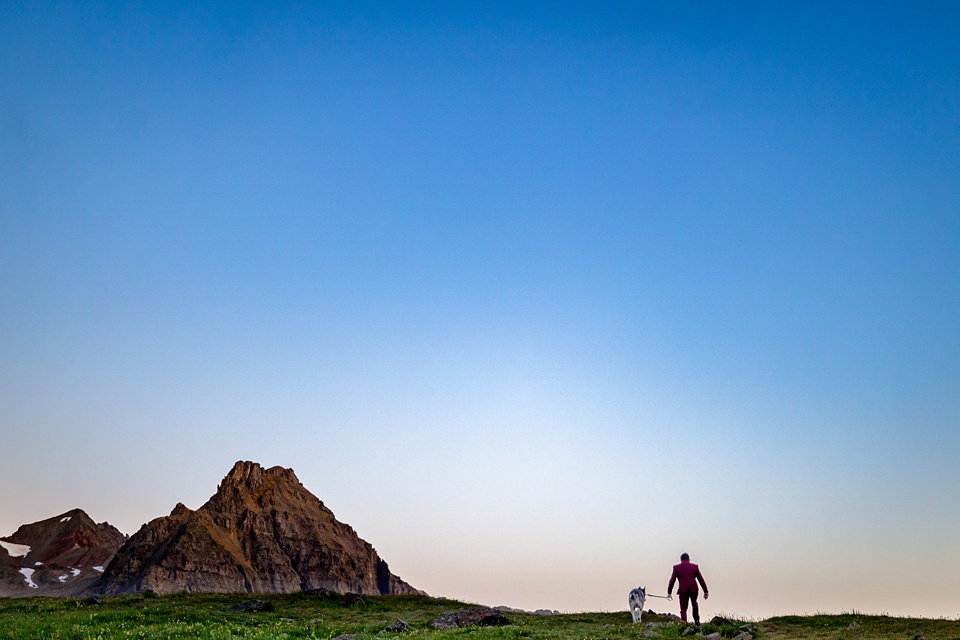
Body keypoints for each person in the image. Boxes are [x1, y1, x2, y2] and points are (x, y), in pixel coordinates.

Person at [667, 552, 709, 626]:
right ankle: (697, 621)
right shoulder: (695, 567)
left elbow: (672, 581)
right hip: (693, 588)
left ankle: (684, 623)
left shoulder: (676, 568)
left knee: (683, 608)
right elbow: (701, 579)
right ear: (689, 559)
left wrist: (669, 592)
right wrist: (705, 591)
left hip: (683, 590)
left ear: (681, 560)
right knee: (694, 604)